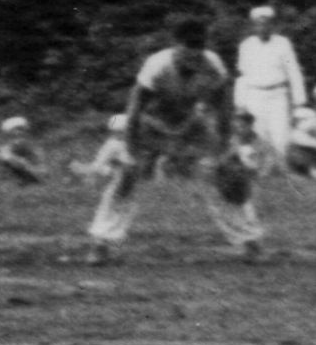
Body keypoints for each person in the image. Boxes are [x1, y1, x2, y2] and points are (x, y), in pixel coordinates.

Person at [86, 18, 263, 265]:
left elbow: (223, 108)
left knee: (226, 173)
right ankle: (101, 242)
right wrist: (130, 151)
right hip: (152, 125)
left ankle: (249, 240)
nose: (194, 53)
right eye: (189, 47)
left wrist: (224, 148)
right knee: (127, 176)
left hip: (191, 125)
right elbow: (135, 109)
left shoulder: (212, 65)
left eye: (199, 46)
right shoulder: (158, 65)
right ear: (176, 46)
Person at [234, 5, 306, 171]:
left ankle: (282, 171)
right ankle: (262, 173)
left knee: (281, 137)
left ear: (272, 25)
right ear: (253, 26)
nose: (262, 27)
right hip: (255, 95)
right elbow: (242, 76)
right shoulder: (246, 46)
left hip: (277, 95)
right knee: (259, 136)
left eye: (266, 23)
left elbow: (293, 71)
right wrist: (240, 103)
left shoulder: (283, 44)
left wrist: (299, 101)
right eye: (258, 24)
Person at [72, 114, 133, 185]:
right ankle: (85, 172)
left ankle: (85, 172)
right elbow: (101, 160)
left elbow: (125, 160)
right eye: (113, 132)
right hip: (108, 167)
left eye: (118, 132)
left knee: (98, 168)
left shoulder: (116, 143)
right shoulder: (114, 143)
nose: (114, 134)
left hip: (113, 169)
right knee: (99, 167)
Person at [0, 116, 46, 185]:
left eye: (20, 130)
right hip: (10, 184)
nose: (18, 133)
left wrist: (22, 163)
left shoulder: (33, 149)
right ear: (9, 136)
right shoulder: (4, 151)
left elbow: (41, 171)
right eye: (14, 131)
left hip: (33, 180)